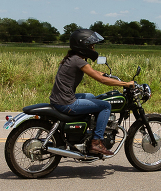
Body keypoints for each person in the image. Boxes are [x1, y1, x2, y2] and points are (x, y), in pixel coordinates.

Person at [49, 29, 135, 157]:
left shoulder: (74, 58)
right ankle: (96, 142)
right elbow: (100, 79)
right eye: (91, 46)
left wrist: (109, 75)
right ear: (83, 46)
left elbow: (95, 72)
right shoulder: (78, 61)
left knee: (90, 96)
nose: (93, 48)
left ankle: (88, 129)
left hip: (60, 98)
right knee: (105, 106)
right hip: (66, 102)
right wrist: (126, 84)